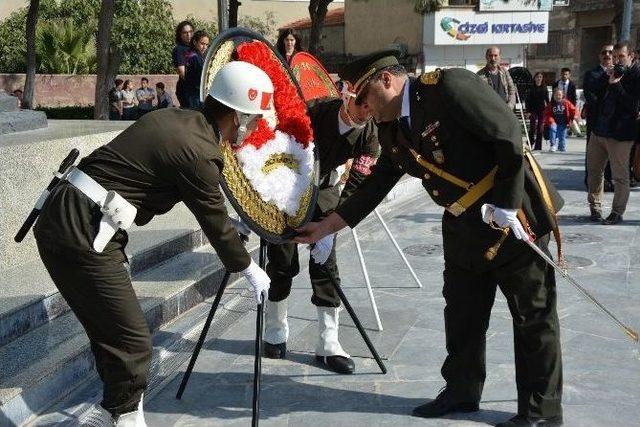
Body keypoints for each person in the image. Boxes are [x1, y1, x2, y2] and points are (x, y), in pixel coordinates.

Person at [295, 50, 564, 427]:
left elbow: (507, 133)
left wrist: (506, 202)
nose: (363, 109)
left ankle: (541, 412)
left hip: (514, 218)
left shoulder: (449, 87)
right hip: (463, 225)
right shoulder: (392, 125)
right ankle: (461, 391)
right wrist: (327, 226)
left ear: (385, 80)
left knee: (532, 316)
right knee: (462, 313)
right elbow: (379, 180)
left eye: (364, 98)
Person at [32, 61, 274, 426]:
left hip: (70, 217)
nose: (254, 127)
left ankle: (114, 412)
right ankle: (125, 417)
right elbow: (213, 221)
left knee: (112, 332)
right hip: (81, 228)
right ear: (236, 116)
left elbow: (202, 202)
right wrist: (247, 266)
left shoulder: (179, 121)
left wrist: (229, 223)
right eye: (253, 119)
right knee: (133, 342)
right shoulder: (199, 150)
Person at [263, 77, 379, 374]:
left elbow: (358, 182)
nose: (365, 113)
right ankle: (275, 329)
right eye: (361, 105)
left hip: (327, 192)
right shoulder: (315, 112)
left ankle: (328, 343)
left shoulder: (369, 132)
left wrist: (333, 225)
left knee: (326, 266)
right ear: (347, 95)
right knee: (282, 261)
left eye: (371, 108)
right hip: (290, 190)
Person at [586, 40, 640, 225]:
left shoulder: (637, 74)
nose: (616, 60)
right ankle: (595, 208)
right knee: (593, 172)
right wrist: (606, 77)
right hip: (599, 130)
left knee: (620, 176)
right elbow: (593, 92)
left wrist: (616, 85)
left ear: (631, 56)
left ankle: (617, 212)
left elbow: (634, 106)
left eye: (621, 57)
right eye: (615, 56)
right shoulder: (612, 70)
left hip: (620, 134)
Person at [583, 44, 614, 192]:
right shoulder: (592, 74)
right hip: (596, 120)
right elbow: (590, 96)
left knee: (612, 152)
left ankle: (608, 180)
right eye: (604, 52)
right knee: (593, 152)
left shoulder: (621, 73)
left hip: (615, 121)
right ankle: (591, 180)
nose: (607, 55)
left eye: (610, 52)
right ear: (599, 56)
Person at [544, 88, 576, 153]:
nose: (558, 96)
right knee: (553, 129)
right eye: (556, 95)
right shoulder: (551, 104)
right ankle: (553, 145)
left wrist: (575, 116)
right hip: (554, 122)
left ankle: (562, 149)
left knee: (562, 139)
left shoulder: (566, 103)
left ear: (562, 95)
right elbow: (547, 113)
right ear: (553, 96)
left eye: (559, 95)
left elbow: (573, 110)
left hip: (563, 123)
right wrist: (550, 121)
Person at [184, 30, 210, 109]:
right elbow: (203, 76)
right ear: (195, 42)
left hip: (193, 95)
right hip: (196, 96)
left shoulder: (195, 55)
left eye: (206, 44)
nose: (204, 47)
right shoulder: (195, 57)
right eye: (202, 43)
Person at [172, 20, 194, 108]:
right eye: (185, 32)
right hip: (187, 90)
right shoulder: (179, 49)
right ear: (180, 34)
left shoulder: (196, 48)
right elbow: (182, 72)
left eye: (190, 32)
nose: (189, 35)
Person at [527, 72, 549, 150]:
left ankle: (538, 146)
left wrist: (548, 110)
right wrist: (528, 111)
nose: (539, 78)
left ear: (542, 78)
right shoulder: (531, 87)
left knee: (540, 128)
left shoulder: (544, 87)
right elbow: (528, 100)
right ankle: (530, 142)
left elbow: (547, 99)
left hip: (542, 110)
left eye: (540, 77)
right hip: (533, 109)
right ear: (535, 78)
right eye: (537, 77)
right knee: (532, 127)